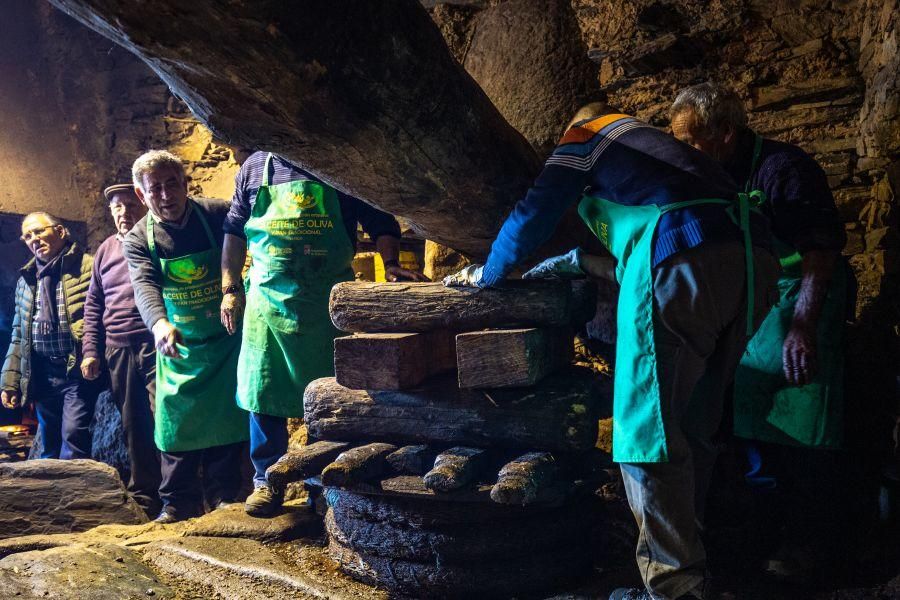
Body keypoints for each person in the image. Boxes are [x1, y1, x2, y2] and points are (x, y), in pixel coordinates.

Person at [444, 103, 780, 600]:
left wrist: (489, 274)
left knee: (646, 432)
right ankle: (698, 562)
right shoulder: (665, 156)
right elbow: (687, 241)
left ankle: (675, 587)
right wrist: (578, 261)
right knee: (693, 421)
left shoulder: (585, 137)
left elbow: (533, 212)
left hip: (683, 260)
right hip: (754, 265)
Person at [670, 82, 851, 579]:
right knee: (750, 414)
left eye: (690, 140)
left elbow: (820, 252)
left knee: (801, 417)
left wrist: (802, 328)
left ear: (726, 132)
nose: (682, 151)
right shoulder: (714, 178)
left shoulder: (784, 170)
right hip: (762, 301)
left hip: (804, 296)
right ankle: (760, 537)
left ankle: (809, 547)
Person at [220, 151, 427, 516]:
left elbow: (380, 221)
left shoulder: (338, 161)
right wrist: (230, 288)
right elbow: (234, 232)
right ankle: (268, 481)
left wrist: (391, 264)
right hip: (268, 302)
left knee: (330, 398)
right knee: (263, 391)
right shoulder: (254, 168)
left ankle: (322, 483)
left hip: (326, 302)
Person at [123, 150, 249, 523]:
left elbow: (247, 238)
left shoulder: (216, 214)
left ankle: (226, 495)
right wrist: (160, 324)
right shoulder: (137, 239)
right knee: (174, 426)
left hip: (224, 340)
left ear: (186, 184)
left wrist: (237, 288)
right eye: (155, 188)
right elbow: (144, 285)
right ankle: (177, 503)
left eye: (172, 183)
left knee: (227, 419)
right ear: (141, 194)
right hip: (177, 345)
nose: (166, 195)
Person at [81, 183, 162, 517]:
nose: (124, 213)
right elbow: (93, 304)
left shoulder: (157, 239)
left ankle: (175, 492)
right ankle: (144, 494)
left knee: (165, 419)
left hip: (157, 344)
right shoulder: (105, 250)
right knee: (134, 424)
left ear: (143, 205)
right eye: (117, 207)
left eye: (131, 205)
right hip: (118, 348)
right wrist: (91, 350)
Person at [1, 212, 103, 459]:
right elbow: (19, 335)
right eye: (27, 235)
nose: (33, 239)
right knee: (48, 442)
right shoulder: (26, 280)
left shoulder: (88, 267)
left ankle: (79, 494)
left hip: (75, 372)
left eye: (39, 231)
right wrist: (9, 381)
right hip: (43, 374)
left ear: (60, 231)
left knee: (74, 436)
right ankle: (49, 496)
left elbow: (100, 316)